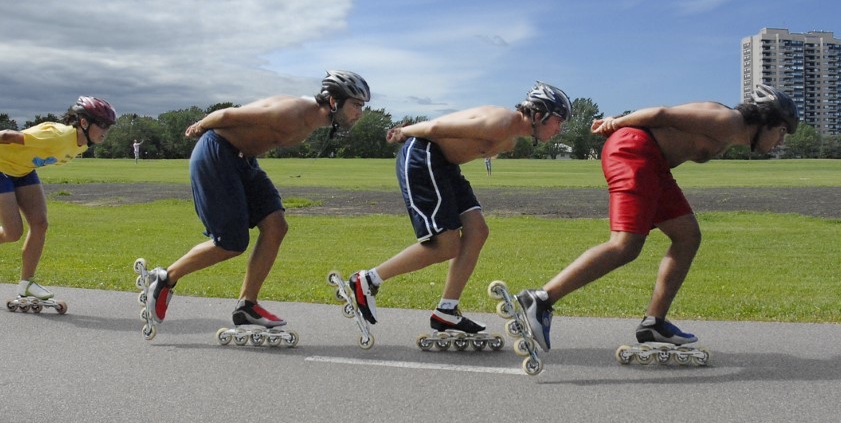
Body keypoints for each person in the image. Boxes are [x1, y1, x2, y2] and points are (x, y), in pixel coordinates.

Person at [516, 84, 799, 351]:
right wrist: (616, 123)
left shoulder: (732, 131)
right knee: (625, 245)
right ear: (765, 120)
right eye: (782, 131)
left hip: (653, 161)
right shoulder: (727, 120)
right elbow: (663, 113)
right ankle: (540, 300)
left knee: (687, 236)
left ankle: (654, 323)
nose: (781, 140)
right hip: (634, 150)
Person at [140, 70, 370, 330]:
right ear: (333, 102)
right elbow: (228, 115)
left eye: (362, 106)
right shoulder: (293, 113)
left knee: (276, 226)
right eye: (356, 105)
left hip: (244, 160)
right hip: (218, 153)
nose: (359, 113)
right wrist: (201, 125)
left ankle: (246, 306)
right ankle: (165, 278)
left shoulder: (313, 119)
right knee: (231, 243)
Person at [346, 82, 572, 336]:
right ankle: (368, 280)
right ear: (540, 115)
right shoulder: (502, 121)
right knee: (446, 245)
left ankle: (446, 311)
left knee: (477, 230)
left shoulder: (510, 137)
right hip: (425, 155)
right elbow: (436, 127)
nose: (559, 129)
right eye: (558, 121)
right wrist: (404, 131)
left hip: (445, 165)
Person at [0, 96, 118, 299]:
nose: (105, 132)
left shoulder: (83, 144)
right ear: (84, 122)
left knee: (40, 224)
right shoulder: (55, 135)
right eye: (102, 125)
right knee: (13, 233)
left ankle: (26, 283)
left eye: (108, 126)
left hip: (23, 170)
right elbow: (9, 135)